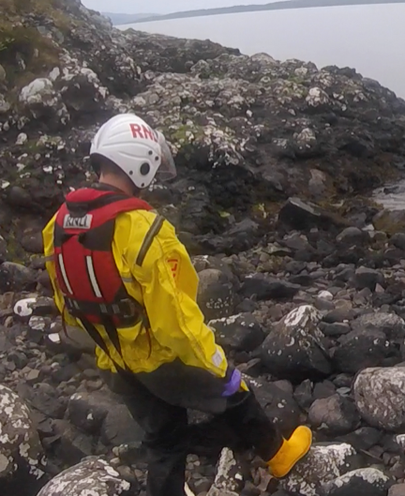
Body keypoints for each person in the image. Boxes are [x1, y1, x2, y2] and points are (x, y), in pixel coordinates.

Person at [42, 112, 311, 496]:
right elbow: (177, 320)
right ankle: (277, 454)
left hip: (114, 360)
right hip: (161, 359)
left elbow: (64, 299)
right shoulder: (148, 231)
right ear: (141, 163)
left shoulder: (59, 224)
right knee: (234, 392)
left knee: (163, 438)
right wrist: (214, 362)